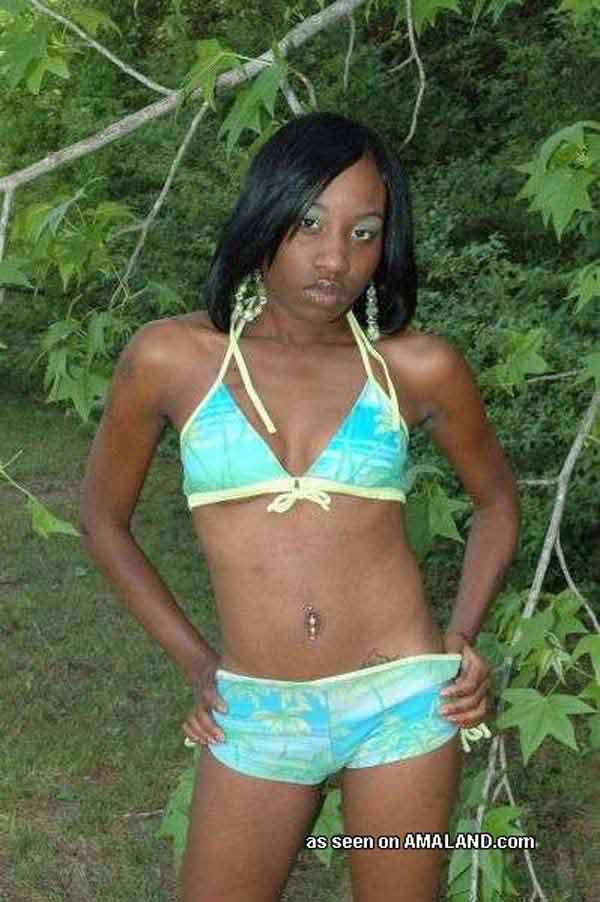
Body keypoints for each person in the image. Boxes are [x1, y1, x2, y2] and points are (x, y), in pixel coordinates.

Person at [79, 112, 520, 902]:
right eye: (310, 223)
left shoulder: (416, 367)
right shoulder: (171, 358)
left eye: (364, 232)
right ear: (266, 214)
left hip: (403, 705)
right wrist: (198, 663)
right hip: (257, 712)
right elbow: (102, 522)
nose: (335, 257)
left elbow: (496, 503)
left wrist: (459, 637)